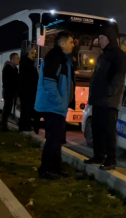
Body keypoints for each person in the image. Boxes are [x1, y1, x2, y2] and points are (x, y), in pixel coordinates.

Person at [85, 27, 126, 170]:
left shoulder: (119, 55)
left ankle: (111, 160)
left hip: (109, 102)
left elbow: (119, 77)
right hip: (97, 100)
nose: (99, 41)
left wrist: (109, 92)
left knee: (108, 131)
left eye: (102, 38)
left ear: (109, 38)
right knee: (96, 129)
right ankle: (98, 156)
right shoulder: (102, 56)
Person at [35, 31, 75, 180]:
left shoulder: (63, 58)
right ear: (62, 43)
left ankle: (55, 168)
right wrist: (59, 101)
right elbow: (49, 82)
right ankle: (46, 170)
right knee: (53, 139)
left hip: (57, 107)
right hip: (52, 106)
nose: (73, 45)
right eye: (70, 42)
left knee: (57, 139)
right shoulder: (55, 57)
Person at [18, 48, 38, 132]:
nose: (33, 55)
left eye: (34, 54)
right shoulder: (25, 64)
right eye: (32, 53)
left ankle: (25, 125)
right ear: (28, 53)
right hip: (26, 92)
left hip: (29, 92)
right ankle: (24, 126)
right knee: (26, 109)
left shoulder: (30, 64)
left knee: (27, 109)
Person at [0, 53, 19, 131]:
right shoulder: (8, 68)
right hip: (8, 92)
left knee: (8, 109)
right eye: (17, 58)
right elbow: (8, 81)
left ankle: (4, 124)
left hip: (11, 92)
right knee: (7, 109)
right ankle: (3, 125)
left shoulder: (15, 68)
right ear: (12, 59)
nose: (19, 60)